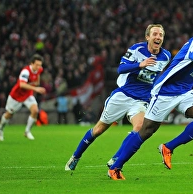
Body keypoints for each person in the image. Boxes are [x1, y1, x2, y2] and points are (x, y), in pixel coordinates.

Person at [108, 16, 193, 180]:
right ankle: (115, 167)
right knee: (146, 131)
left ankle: (168, 148)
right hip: (165, 90)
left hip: (185, 91)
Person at [65, 24, 171, 171]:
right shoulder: (136, 50)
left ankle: (116, 158)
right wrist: (140, 64)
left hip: (141, 100)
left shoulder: (166, 56)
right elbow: (121, 68)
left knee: (140, 128)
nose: (158, 37)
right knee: (98, 130)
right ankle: (75, 156)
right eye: (155, 34)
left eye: (161, 35)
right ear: (148, 37)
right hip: (123, 96)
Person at [0, 54, 46, 141]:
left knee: (35, 110)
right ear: (31, 63)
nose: (39, 67)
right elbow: (22, 85)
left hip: (27, 95)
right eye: (37, 65)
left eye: (40, 65)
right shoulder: (25, 72)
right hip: (16, 96)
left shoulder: (39, 69)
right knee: (9, 114)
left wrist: (36, 83)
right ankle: (0, 128)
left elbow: (37, 78)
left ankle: (27, 131)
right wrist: (35, 88)